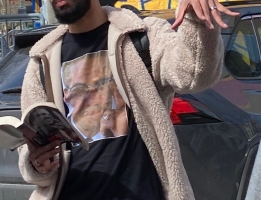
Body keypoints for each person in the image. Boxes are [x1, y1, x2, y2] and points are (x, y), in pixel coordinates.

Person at [18, 0, 239, 199]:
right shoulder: (42, 60)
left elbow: (194, 76)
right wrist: (37, 163)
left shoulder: (142, 35)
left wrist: (196, 21)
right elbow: (32, 151)